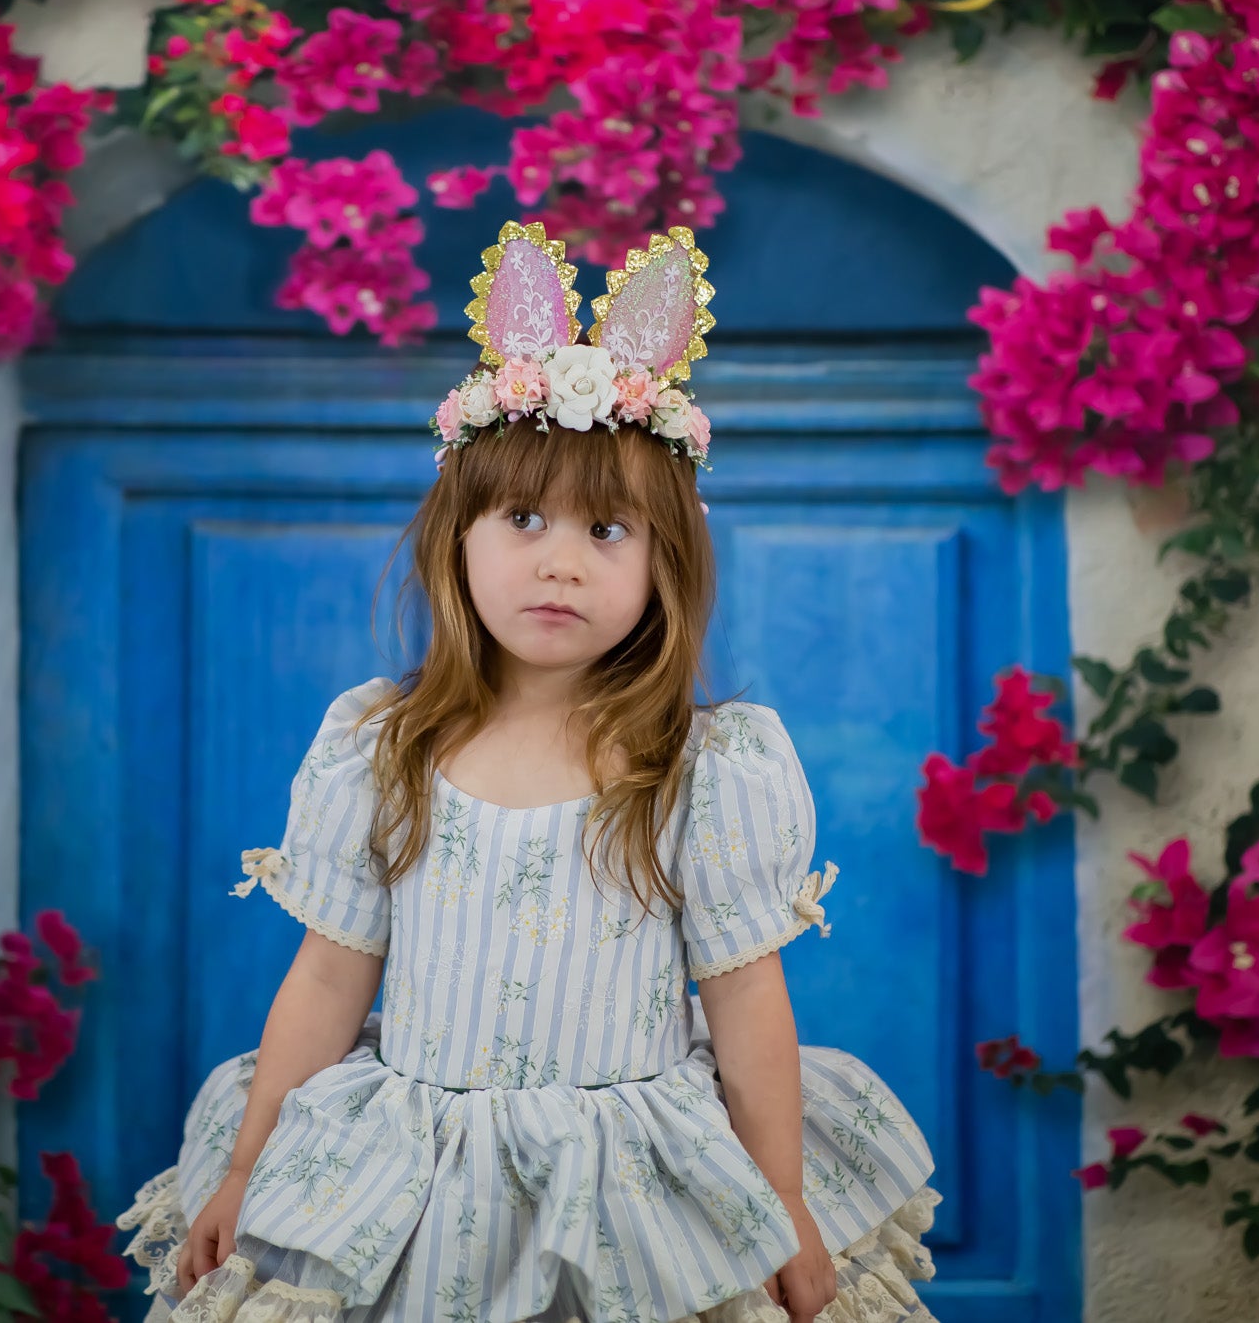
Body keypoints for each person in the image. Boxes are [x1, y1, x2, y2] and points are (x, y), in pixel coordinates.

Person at [117, 222, 940, 1323]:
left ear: (665, 566)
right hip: (410, 1179)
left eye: (607, 530)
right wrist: (242, 1169)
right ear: (458, 536)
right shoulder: (384, 746)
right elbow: (326, 977)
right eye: (521, 519)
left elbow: (746, 1001)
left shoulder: (700, 768)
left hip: (629, 1180)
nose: (559, 561)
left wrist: (779, 1201)